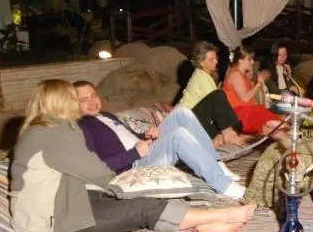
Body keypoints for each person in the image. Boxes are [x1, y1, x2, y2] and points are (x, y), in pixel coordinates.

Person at [9, 79, 253, 232]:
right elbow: (99, 173)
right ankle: (218, 214)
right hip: (48, 227)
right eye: (75, 100)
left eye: (91, 96)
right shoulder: (56, 133)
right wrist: (134, 174)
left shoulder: (41, 131)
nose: (81, 104)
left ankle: (201, 226)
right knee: (142, 208)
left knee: (133, 207)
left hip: (66, 205)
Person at [73, 80, 245, 200]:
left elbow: (127, 138)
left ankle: (217, 164)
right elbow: (97, 166)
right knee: (179, 135)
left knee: (181, 112)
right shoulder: (81, 128)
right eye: (84, 99)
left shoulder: (107, 116)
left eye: (93, 95)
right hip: (134, 164)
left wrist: (146, 136)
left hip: (146, 149)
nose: (92, 102)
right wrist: (134, 154)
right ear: (73, 104)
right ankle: (223, 185)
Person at [179, 41, 244, 146]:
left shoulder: (205, 76)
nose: (216, 61)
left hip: (197, 120)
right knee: (218, 96)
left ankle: (226, 135)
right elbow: (217, 105)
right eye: (211, 60)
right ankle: (230, 135)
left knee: (221, 102)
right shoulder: (200, 77)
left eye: (216, 58)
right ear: (201, 62)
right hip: (187, 121)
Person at [223, 46, 292, 139]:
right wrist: (259, 84)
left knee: (276, 129)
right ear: (240, 60)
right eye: (249, 59)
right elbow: (245, 98)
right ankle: (295, 137)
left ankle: (293, 143)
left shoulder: (241, 74)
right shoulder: (235, 74)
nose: (252, 62)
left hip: (248, 112)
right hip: (241, 113)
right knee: (281, 125)